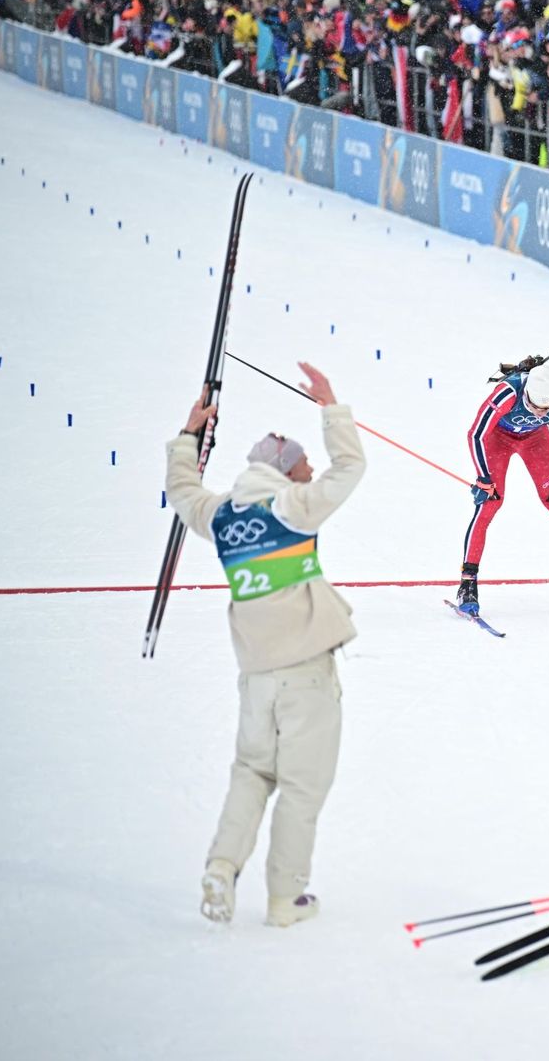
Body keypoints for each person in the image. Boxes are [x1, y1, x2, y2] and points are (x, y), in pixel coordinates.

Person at [166, 362, 366, 928]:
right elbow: (350, 467)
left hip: (256, 677)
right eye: (302, 463)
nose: (310, 470)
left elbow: (182, 490)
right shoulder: (292, 507)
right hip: (305, 674)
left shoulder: (221, 515)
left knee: (252, 772)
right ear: (283, 470)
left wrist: (188, 437)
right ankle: (285, 898)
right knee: (303, 787)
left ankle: (222, 864)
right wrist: (331, 406)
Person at [456, 355, 549, 615]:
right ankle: (468, 583)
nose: (541, 413)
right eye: (535, 407)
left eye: (547, 409)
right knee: (489, 504)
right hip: (497, 439)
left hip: (536, 440)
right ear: (527, 394)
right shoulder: (507, 393)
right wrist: (483, 478)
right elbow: (476, 434)